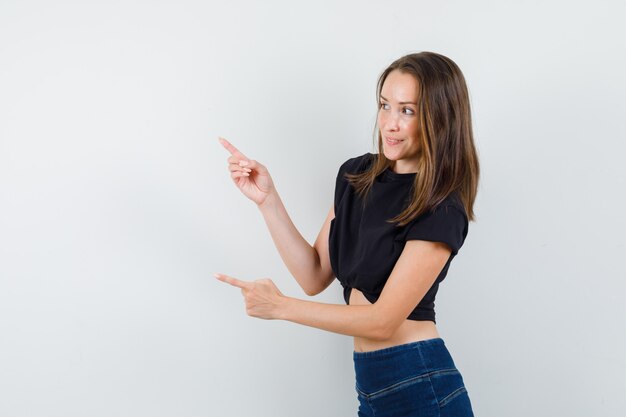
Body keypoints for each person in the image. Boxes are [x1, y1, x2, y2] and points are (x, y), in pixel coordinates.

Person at [215, 51, 479, 417]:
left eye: (408, 111)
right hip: (370, 386)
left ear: (440, 118)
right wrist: (268, 201)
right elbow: (314, 274)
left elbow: (383, 321)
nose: (390, 123)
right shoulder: (357, 176)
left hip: (420, 383)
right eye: (385, 105)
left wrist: (280, 307)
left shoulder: (440, 204)